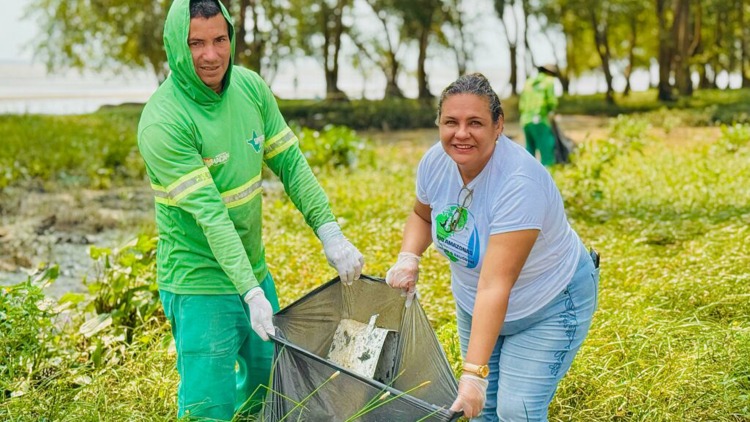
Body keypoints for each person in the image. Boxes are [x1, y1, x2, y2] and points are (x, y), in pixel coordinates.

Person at [136, 0, 364, 419]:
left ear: (231, 38)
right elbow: (211, 215)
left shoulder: (250, 88)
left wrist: (330, 232)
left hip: (255, 273)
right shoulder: (162, 121)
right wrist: (249, 292)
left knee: (271, 389)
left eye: (220, 39)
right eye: (196, 43)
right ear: (175, 46)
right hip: (199, 284)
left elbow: (291, 165)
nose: (211, 55)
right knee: (211, 408)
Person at [386, 73, 598, 421]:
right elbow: (421, 215)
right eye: (450, 122)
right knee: (482, 412)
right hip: (476, 302)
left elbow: (496, 283)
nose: (461, 133)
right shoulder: (435, 163)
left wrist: (472, 373)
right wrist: (409, 257)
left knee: (516, 411)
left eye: (476, 123)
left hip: (549, 303)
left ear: (498, 126)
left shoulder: (519, 182)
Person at [519, 64, 559, 167]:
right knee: (546, 148)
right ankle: (549, 175)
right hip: (540, 119)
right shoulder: (548, 81)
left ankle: (528, 175)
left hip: (526, 120)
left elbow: (522, 104)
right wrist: (552, 112)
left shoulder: (528, 83)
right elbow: (551, 101)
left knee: (529, 150)